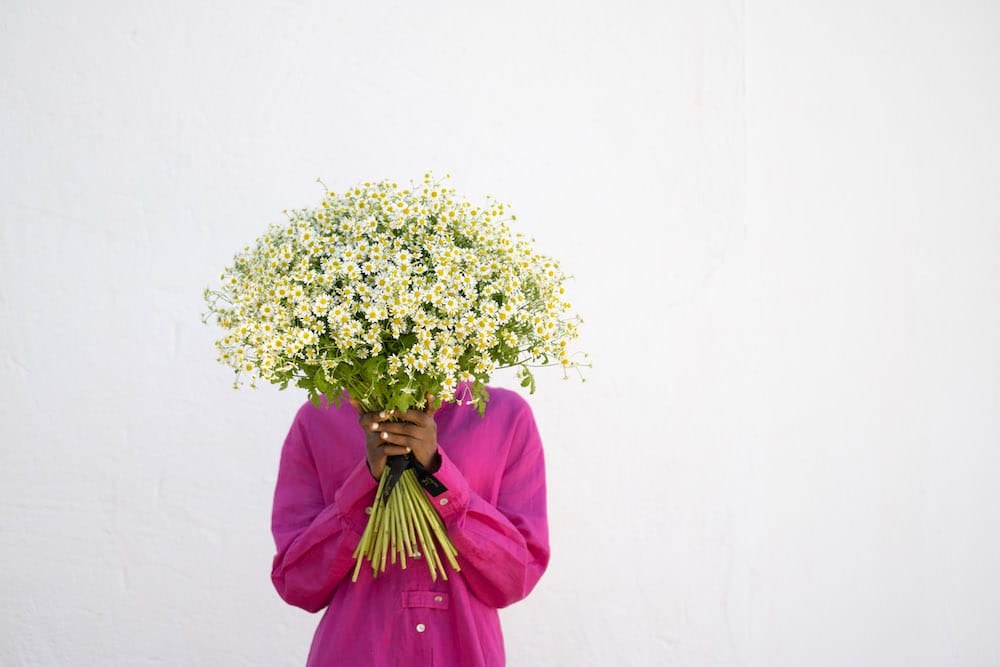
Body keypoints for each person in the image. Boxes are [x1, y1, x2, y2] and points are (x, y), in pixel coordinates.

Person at [269, 386, 550, 666]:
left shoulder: (503, 414)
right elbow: (296, 582)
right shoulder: (321, 416)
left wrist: (437, 475)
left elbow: (517, 576)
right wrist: (366, 480)